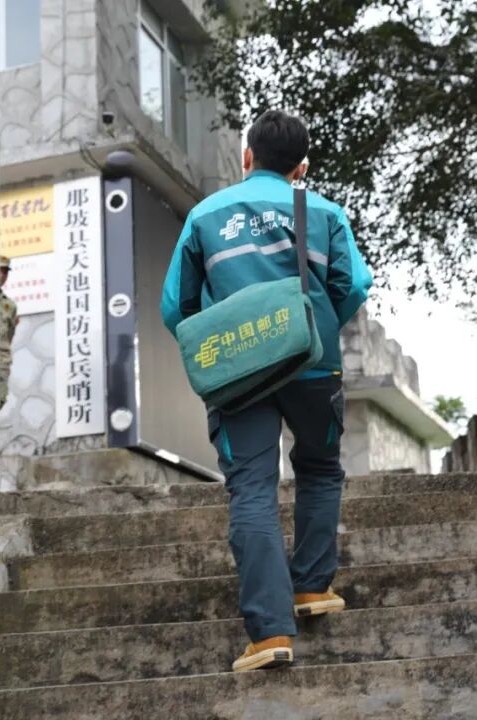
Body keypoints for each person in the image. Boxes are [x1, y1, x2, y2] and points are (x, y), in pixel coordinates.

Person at [160, 110, 373, 673]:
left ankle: (270, 632)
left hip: (238, 373)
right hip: (314, 366)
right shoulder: (325, 212)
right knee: (320, 469)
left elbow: (175, 307)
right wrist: (312, 328)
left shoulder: (205, 215)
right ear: (301, 167)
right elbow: (353, 285)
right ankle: (311, 587)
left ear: (247, 156)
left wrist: (219, 342)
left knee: (251, 488)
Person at [0, 255, 19, 407]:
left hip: (0, 361)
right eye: (0, 270)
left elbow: (9, 336)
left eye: (5, 272)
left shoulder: (9, 306)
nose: (3, 275)